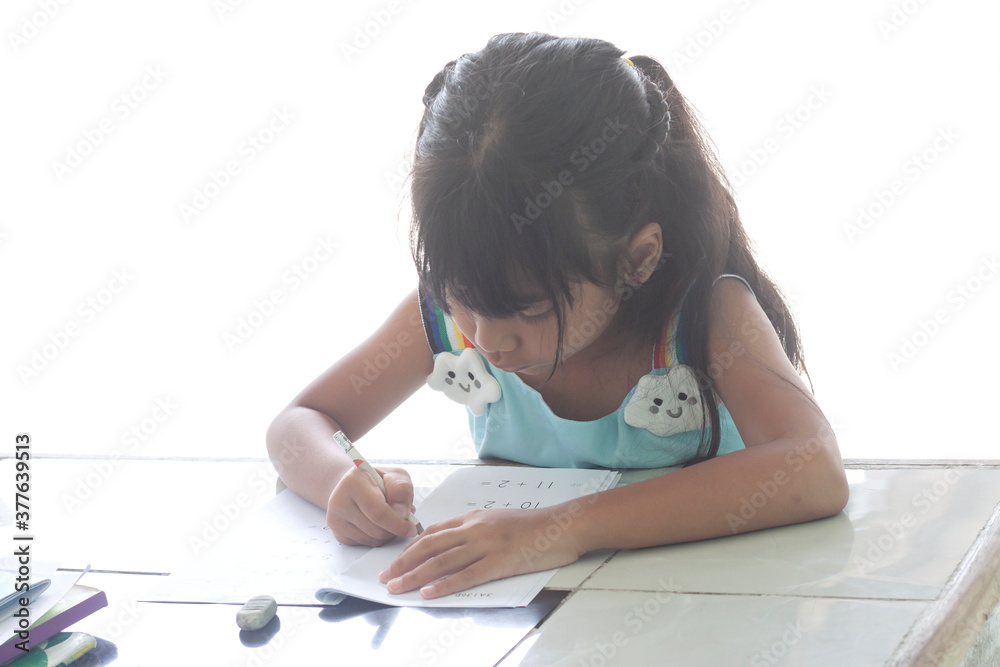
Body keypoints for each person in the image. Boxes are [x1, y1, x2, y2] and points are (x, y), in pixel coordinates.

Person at [266, 32, 849, 600]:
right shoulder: (447, 318)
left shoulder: (704, 318)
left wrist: (559, 530)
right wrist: (342, 481)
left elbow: (814, 468)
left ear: (636, 259)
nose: (487, 337)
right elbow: (299, 422)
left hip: (713, 610)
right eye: (458, 290)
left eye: (530, 309)